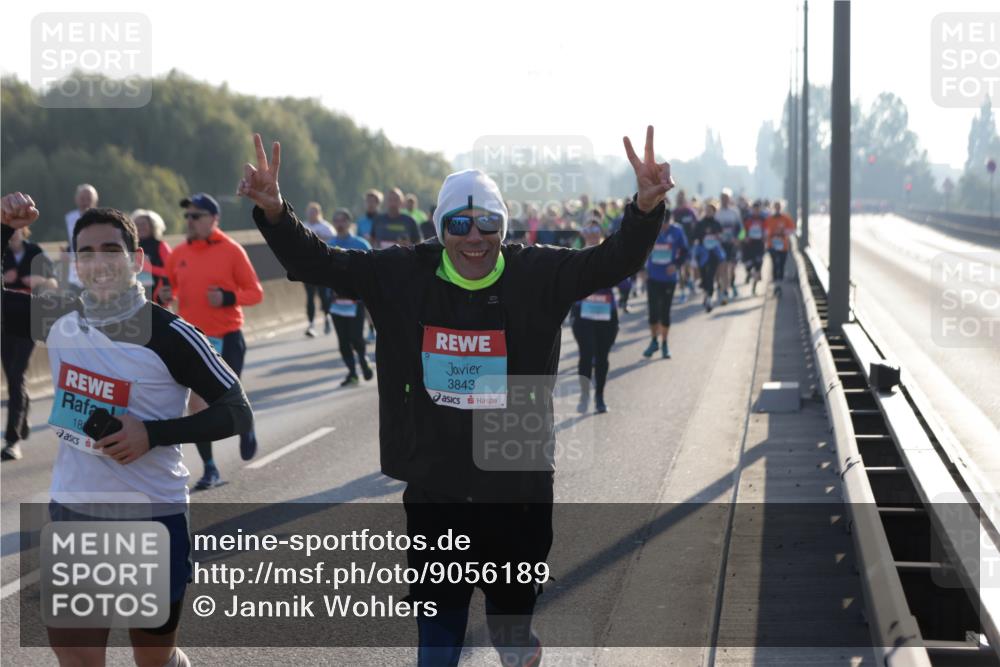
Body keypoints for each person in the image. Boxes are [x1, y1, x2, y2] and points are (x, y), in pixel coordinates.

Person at [239, 125, 672, 667]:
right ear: (441, 227)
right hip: (436, 488)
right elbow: (318, 262)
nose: (474, 237)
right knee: (438, 640)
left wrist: (644, 208)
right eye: (459, 224)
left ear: (502, 227)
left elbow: (611, 261)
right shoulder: (402, 273)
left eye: (487, 223)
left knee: (509, 634)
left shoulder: (538, 273)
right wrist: (275, 213)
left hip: (515, 488)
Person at [1, 192, 253, 667]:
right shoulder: (56, 317)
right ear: (75, 264)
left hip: (151, 516)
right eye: (86, 253)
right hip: (74, 511)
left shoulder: (171, 334)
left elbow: (237, 412)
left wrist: (151, 434)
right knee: (76, 657)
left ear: (136, 260)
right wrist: (3, 229)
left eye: (111, 251)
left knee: (152, 661)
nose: (99, 263)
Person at [161, 192, 263, 489]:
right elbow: (169, 291)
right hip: (194, 343)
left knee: (226, 401)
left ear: (214, 219)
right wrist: (164, 295)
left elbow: (255, 293)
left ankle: (245, 421)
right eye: (188, 216)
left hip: (228, 338)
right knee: (197, 408)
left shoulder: (232, 251)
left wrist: (228, 297)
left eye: (196, 216)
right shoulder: (179, 253)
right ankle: (210, 469)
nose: (190, 221)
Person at [2, 225, 57, 461]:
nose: (13, 232)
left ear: (24, 229)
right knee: (14, 378)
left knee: (16, 375)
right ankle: (22, 415)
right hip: (5, 323)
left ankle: (12, 441)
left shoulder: (35, 251)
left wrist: (41, 280)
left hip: (30, 321)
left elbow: (55, 282)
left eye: (17, 228)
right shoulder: (2, 252)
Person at [571, 221, 619, 413]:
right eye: (588, 229)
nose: (591, 233)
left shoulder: (611, 255)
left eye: (595, 229)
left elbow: (625, 282)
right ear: (583, 233)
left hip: (606, 313)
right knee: (586, 354)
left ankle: (600, 397)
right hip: (583, 314)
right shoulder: (574, 255)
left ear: (601, 232)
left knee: (602, 356)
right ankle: (584, 396)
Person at [326, 208, 374, 386]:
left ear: (349, 223)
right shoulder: (328, 245)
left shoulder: (360, 244)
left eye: (343, 220)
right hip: (336, 301)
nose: (340, 224)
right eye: (336, 220)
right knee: (343, 341)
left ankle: (363, 359)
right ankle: (352, 373)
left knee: (355, 337)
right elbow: (322, 271)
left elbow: (372, 269)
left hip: (356, 301)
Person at [641, 203, 689, 359]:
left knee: (665, 312)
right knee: (653, 312)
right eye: (661, 225)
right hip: (653, 277)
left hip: (669, 279)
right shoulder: (650, 229)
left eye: (666, 225)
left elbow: (685, 251)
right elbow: (640, 250)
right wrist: (642, 270)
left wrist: (676, 265)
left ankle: (665, 344)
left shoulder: (677, 231)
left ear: (671, 221)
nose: (663, 228)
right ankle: (654, 341)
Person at [301, 202, 336, 336]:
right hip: (307, 266)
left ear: (319, 213)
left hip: (323, 265)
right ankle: (311, 324)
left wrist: (320, 238)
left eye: (314, 212)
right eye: (310, 212)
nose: (312, 215)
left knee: (323, 295)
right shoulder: (302, 226)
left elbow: (334, 242)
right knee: (310, 296)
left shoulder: (326, 227)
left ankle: (327, 317)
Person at [61, 184, 98, 295]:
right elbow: (69, 241)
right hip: (75, 266)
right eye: (82, 199)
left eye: (88, 199)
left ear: (95, 200)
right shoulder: (69, 218)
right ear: (76, 200)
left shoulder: (102, 218)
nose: (85, 202)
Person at [132, 209, 173, 307]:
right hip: (133, 299)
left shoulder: (161, 246)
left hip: (157, 300)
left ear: (152, 226)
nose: (140, 227)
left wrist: (148, 268)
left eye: (144, 224)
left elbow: (170, 272)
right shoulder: (130, 246)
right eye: (137, 224)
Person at [693, 201, 725, 313]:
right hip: (702, 253)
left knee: (711, 275)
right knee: (704, 276)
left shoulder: (717, 223)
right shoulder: (700, 223)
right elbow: (695, 236)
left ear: (714, 212)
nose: (708, 212)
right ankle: (706, 294)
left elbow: (721, 236)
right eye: (706, 210)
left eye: (710, 210)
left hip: (714, 253)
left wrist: (717, 237)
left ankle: (709, 298)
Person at [670, 190, 699, 303]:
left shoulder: (690, 211)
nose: (680, 199)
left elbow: (696, 225)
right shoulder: (674, 212)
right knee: (680, 269)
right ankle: (683, 292)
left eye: (682, 197)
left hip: (689, 244)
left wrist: (696, 238)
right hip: (677, 246)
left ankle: (690, 281)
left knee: (687, 268)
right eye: (679, 197)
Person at [715, 188, 743, 304]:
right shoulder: (717, 213)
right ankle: (724, 290)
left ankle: (731, 285)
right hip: (721, 245)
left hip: (732, 244)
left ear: (729, 199)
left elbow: (741, 230)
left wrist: (738, 239)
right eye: (722, 198)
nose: (724, 200)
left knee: (732, 269)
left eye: (726, 198)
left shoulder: (734, 212)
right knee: (723, 267)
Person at [767, 200, 796, 296]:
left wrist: (783, 232)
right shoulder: (769, 218)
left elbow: (792, 229)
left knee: (782, 265)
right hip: (772, 245)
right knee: (775, 264)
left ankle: (780, 285)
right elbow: (765, 231)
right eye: (775, 206)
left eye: (778, 206)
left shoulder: (786, 218)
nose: (777, 208)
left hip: (783, 246)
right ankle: (776, 286)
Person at [741, 200, 767, 295]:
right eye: (754, 209)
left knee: (758, 267)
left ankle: (754, 288)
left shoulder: (763, 219)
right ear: (752, 209)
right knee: (747, 265)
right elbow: (742, 231)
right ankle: (749, 274)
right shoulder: (747, 218)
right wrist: (743, 238)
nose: (756, 211)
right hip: (749, 245)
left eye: (758, 209)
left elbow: (766, 230)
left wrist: (765, 238)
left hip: (759, 245)